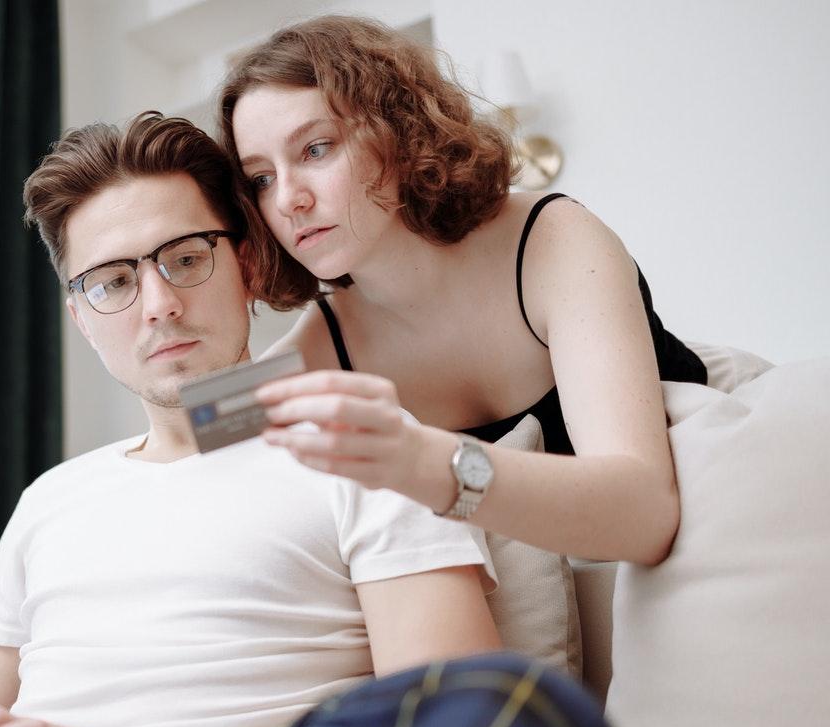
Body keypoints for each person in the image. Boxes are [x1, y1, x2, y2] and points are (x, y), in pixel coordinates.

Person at [0, 112, 633, 727]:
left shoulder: (367, 449)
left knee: (529, 725)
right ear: (78, 314)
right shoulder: (50, 501)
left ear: (246, 263)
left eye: (187, 258)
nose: (160, 305)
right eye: (111, 282)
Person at [219, 15, 707, 571]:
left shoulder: (554, 241)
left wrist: (428, 463)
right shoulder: (319, 348)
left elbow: (644, 518)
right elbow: (189, 431)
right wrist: (198, 275)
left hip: (722, 532)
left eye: (315, 149)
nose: (288, 200)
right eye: (261, 179)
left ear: (396, 130)